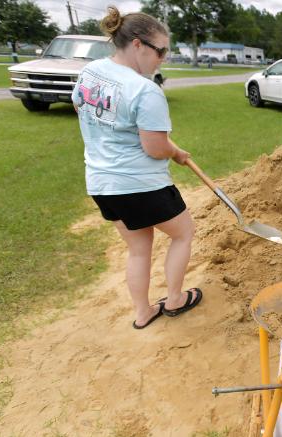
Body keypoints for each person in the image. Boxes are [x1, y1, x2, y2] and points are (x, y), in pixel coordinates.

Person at [72, 6, 202, 330]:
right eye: (161, 52)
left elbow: (79, 104)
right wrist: (174, 151)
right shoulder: (145, 90)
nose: (163, 59)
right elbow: (155, 148)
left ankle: (143, 313)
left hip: (101, 184)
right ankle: (174, 299)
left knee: (139, 249)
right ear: (138, 45)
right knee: (184, 233)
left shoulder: (90, 71)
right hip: (141, 185)